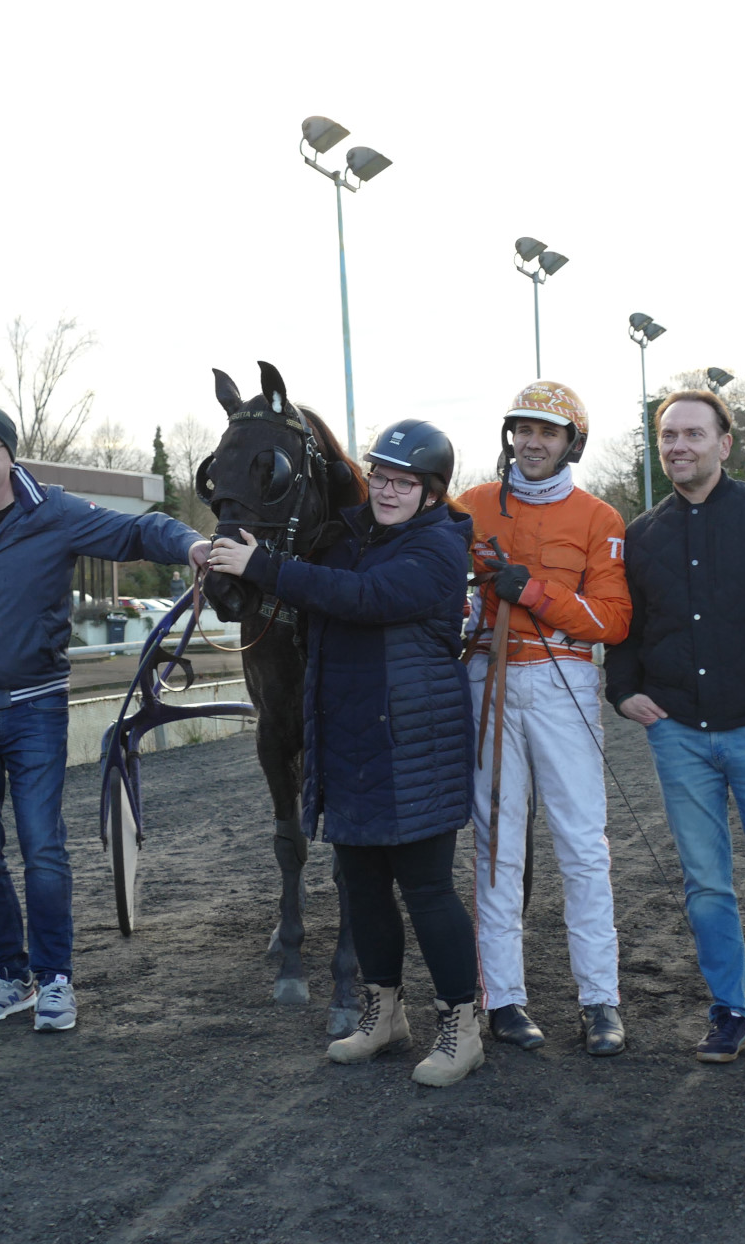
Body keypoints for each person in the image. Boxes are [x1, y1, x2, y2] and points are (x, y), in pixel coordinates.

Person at [0, 405, 209, 1034]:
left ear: (9, 455)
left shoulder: (53, 511)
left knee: (42, 847)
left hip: (35, 708)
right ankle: (10, 974)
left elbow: (137, 531)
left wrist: (192, 545)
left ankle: (54, 979)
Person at [207, 419, 482, 1086]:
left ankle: (463, 1028)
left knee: (428, 891)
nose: (387, 491)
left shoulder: (439, 548)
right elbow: (299, 566)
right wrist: (235, 554)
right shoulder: (346, 539)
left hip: (414, 743)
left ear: (432, 492)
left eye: (404, 482)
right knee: (362, 888)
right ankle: (384, 1015)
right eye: (380, 476)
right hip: (349, 739)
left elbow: (362, 598)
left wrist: (261, 566)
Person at [606, 389, 745, 1069]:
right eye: (668, 436)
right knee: (705, 884)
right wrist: (624, 691)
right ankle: (728, 1010)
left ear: (725, 443)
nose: (679, 446)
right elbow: (628, 627)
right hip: (679, 735)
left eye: (694, 434)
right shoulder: (643, 534)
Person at [456, 382, 632, 1056]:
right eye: (523, 430)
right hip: (487, 679)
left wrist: (532, 590)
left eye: (548, 433)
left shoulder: (599, 517)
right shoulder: (469, 506)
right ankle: (502, 998)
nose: (532, 443)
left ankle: (600, 1001)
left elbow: (612, 621)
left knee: (583, 848)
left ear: (570, 444)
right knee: (497, 845)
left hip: (565, 684)